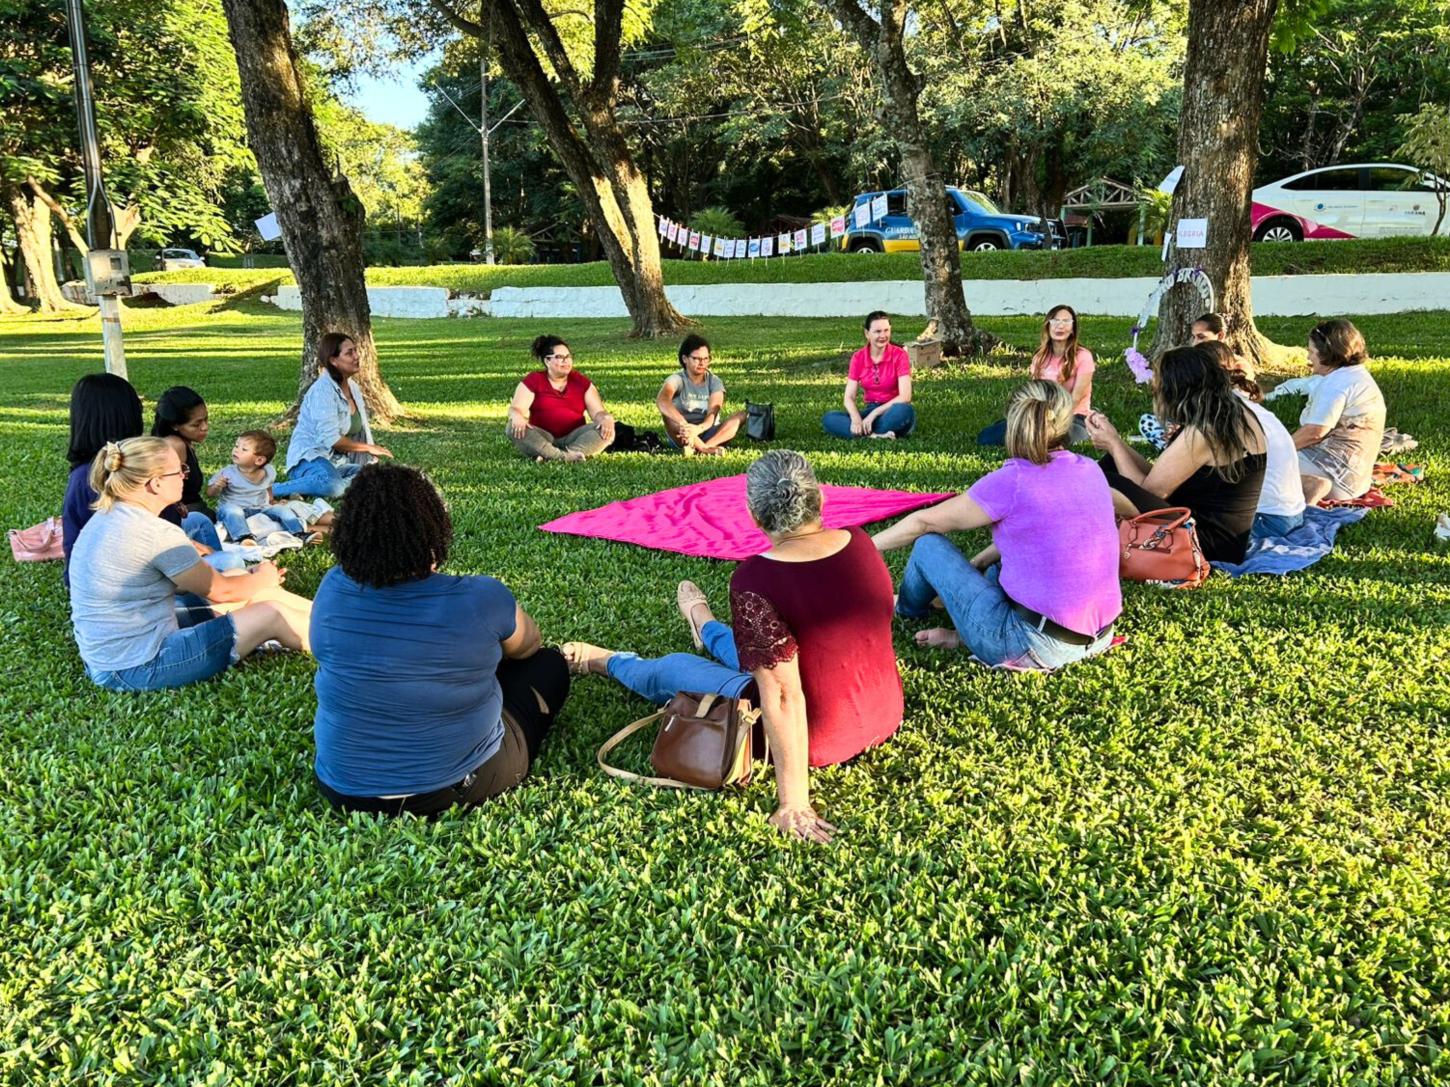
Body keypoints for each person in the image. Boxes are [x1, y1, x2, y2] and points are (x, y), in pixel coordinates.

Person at [563, 450, 904, 845]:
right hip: (883, 712)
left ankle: (604, 660)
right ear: (820, 499)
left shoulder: (756, 579)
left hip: (819, 734)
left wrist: (794, 802)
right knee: (757, 649)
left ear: (754, 515)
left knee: (672, 669)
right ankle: (706, 627)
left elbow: (781, 694)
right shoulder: (860, 542)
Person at [310, 464, 571, 816]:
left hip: (342, 789)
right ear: (433, 529)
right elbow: (529, 645)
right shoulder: (480, 597)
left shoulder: (333, 587)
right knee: (549, 665)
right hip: (452, 787)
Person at [875, 381, 1120, 669]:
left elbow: (923, 522)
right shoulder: (1090, 468)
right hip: (1099, 636)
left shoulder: (1013, 481)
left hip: (1029, 644)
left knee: (929, 546)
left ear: (1012, 422)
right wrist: (977, 562)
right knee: (995, 570)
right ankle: (960, 636)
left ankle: (907, 609)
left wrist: (862, 546)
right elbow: (1035, 536)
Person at [68, 437, 313, 691]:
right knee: (270, 613)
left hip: (114, 652)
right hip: (134, 666)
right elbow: (221, 591)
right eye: (180, 471)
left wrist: (252, 581)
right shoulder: (156, 533)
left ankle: (334, 620)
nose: (185, 476)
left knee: (240, 576)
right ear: (156, 483)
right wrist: (263, 577)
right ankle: (343, 641)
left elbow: (190, 584)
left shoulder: (110, 516)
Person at [1085, 345, 1268, 564]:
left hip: (1205, 542)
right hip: (1211, 530)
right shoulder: (1230, 412)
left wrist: (1113, 443)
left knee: (1102, 481)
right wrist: (1115, 445)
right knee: (1110, 464)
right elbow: (1156, 477)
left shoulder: (1205, 431)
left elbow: (1148, 491)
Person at [63, 373, 226, 589]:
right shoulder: (124, 475)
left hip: (115, 571)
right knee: (231, 567)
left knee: (198, 521)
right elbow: (149, 543)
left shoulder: (82, 474)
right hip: (132, 585)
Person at [1198, 340, 1306, 538]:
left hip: (1269, 519)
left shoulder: (1222, 412)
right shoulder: (1241, 403)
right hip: (1290, 514)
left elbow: (1164, 487)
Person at [274, 333, 394, 499]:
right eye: (349, 353)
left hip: (337, 464)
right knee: (335, 487)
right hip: (311, 459)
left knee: (379, 476)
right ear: (333, 360)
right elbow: (332, 440)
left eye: (356, 351)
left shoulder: (353, 387)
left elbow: (361, 432)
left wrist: (368, 461)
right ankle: (273, 490)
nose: (356, 356)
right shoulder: (322, 391)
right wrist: (369, 448)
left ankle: (306, 489)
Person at [1293, 318, 1386, 505]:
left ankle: (1310, 486)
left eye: (1312, 352)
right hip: (1356, 479)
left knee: (1254, 469)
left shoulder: (1336, 384)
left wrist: (1276, 450)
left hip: (1337, 478)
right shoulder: (1354, 375)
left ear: (1327, 354)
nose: (1308, 357)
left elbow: (1315, 433)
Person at [979, 305, 1093, 445]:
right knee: (987, 438)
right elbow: (1034, 393)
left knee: (1055, 439)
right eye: (1055, 321)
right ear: (1048, 326)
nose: (1060, 326)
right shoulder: (1039, 358)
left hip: (1072, 416)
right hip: (1040, 416)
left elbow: (1075, 399)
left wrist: (1055, 418)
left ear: (1073, 329)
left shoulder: (1083, 356)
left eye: (1066, 321)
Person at [505, 335, 616, 461]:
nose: (566, 361)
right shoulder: (534, 380)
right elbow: (515, 409)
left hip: (574, 436)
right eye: (560, 357)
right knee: (511, 427)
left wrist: (605, 418)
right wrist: (517, 416)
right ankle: (565, 457)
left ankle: (551, 455)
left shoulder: (582, 382)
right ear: (547, 361)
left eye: (568, 357)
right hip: (543, 437)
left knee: (607, 429)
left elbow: (598, 413)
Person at [207, 430, 313, 545]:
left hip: (260, 507)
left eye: (244, 449)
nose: (236, 450)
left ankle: (299, 533)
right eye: (236, 446)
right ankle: (243, 537)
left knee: (282, 510)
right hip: (235, 508)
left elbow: (268, 487)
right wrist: (217, 485)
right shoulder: (227, 472)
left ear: (259, 460)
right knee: (231, 510)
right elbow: (210, 493)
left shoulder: (269, 471)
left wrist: (272, 500)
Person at [822, 311, 916, 440]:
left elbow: (905, 396)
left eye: (886, 330)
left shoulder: (900, 355)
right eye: (877, 331)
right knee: (829, 418)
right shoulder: (858, 357)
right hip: (870, 409)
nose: (883, 335)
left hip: (891, 410)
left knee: (904, 411)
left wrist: (873, 415)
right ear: (867, 334)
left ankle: (864, 433)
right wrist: (856, 419)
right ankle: (875, 435)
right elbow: (848, 397)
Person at [657, 334, 746, 455]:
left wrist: (698, 429)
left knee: (741, 415)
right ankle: (704, 449)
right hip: (683, 433)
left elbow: (712, 414)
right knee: (668, 415)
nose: (702, 363)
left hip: (708, 431)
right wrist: (685, 425)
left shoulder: (714, 381)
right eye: (696, 359)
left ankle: (703, 448)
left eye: (706, 359)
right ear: (685, 359)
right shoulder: (676, 379)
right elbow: (662, 401)